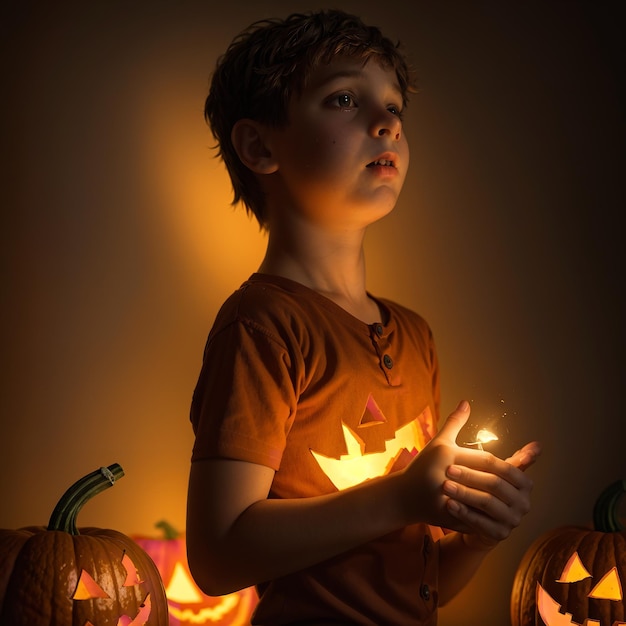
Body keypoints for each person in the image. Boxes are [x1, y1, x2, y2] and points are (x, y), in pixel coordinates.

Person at [186, 9, 541, 625]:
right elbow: (218, 557)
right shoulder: (262, 326)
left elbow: (412, 586)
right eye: (345, 99)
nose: (387, 124)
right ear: (259, 146)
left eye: (395, 108)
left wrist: (475, 536)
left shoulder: (415, 336)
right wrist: (404, 497)